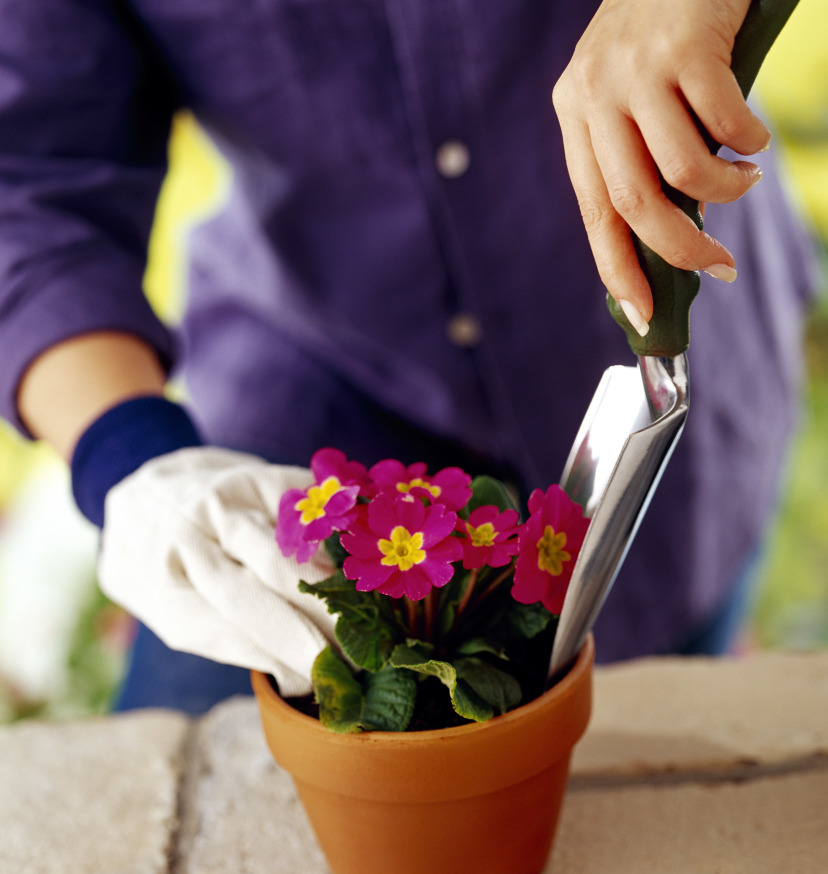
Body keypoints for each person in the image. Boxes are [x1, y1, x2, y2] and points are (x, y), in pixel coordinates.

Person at [0, 0, 819, 713]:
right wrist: (132, 460)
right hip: (317, 377)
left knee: (662, 762)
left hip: (653, 326)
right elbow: (31, 185)